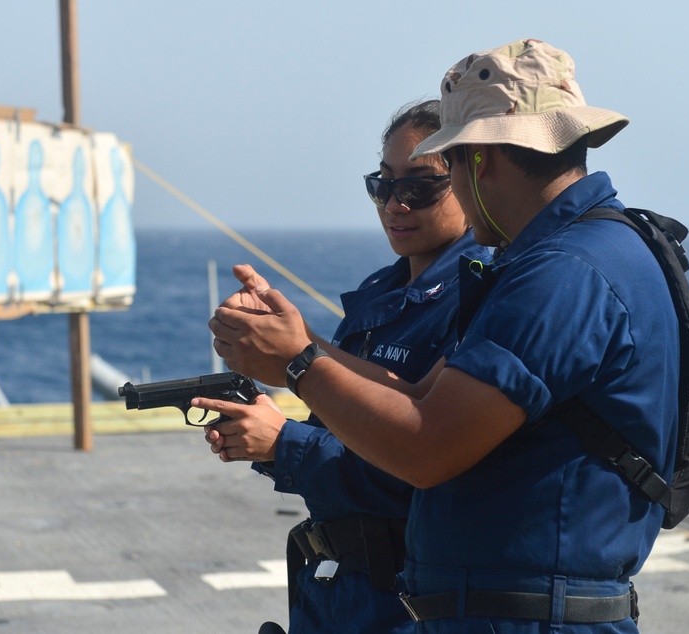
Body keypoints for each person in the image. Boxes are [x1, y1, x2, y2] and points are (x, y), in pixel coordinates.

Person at [198, 39, 676, 633]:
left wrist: (297, 365)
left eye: (444, 168)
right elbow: (422, 395)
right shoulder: (580, 253)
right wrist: (298, 344)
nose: (401, 201)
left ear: (481, 160)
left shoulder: (563, 273)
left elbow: (426, 449)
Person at [204, 100, 490, 633]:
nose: (394, 204)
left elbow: (423, 458)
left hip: (409, 602)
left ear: (472, 181)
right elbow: (344, 417)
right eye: (382, 185)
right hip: (337, 590)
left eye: (419, 186)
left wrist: (283, 442)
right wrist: (282, 342)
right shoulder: (382, 292)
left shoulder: (486, 297)